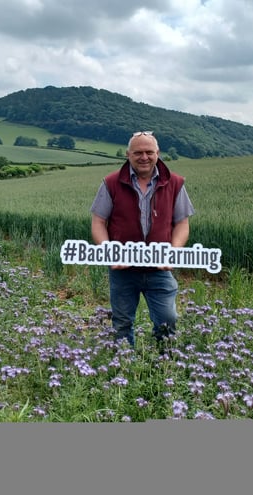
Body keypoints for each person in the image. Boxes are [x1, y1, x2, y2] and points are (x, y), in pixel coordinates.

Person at [90, 131, 194, 347]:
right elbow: (98, 222)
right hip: (122, 269)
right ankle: (124, 367)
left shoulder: (174, 183)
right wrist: (109, 253)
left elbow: (182, 224)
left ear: (158, 153)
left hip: (159, 269)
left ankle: (161, 362)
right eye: (138, 152)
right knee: (122, 323)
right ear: (128, 155)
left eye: (149, 152)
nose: (144, 157)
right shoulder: (111, 183)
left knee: (168, 319)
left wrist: (172, 252)